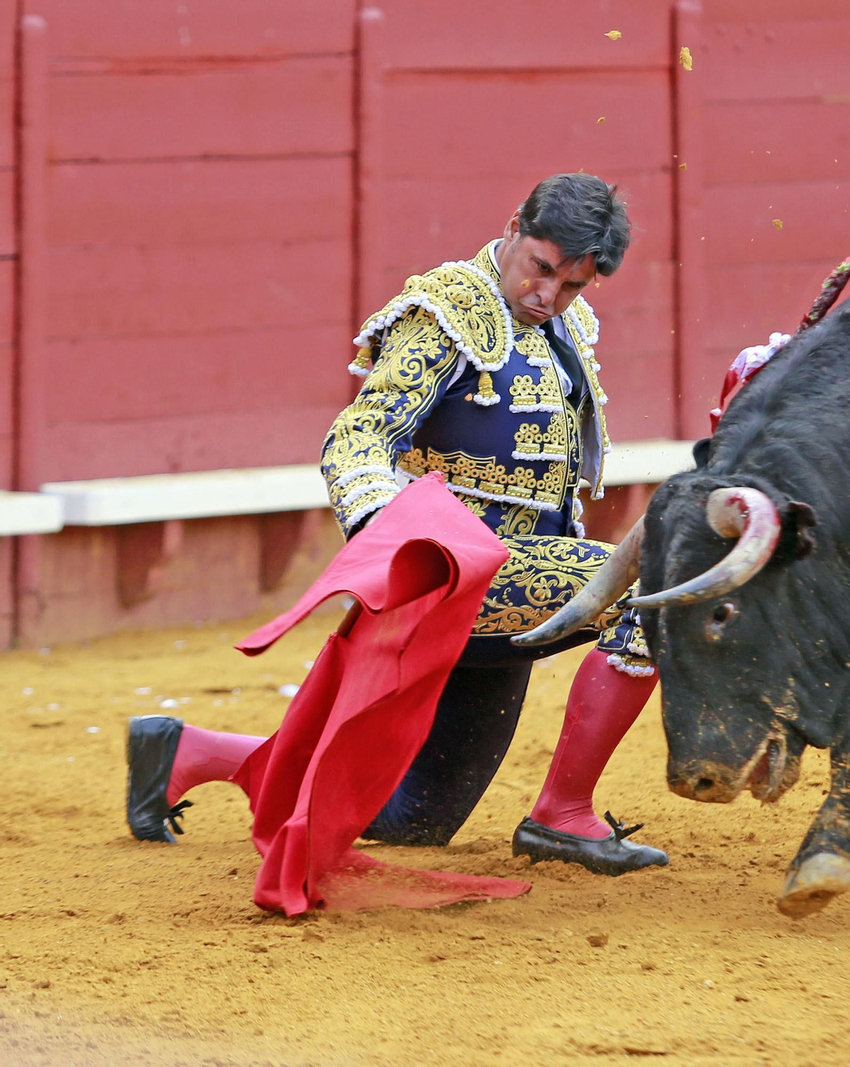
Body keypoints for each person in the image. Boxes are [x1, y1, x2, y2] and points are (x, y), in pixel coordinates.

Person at [126, 173, 668, 875]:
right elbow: (356, 436)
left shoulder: (563, 326)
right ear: (512, 229)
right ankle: (562, 815)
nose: (547, 295)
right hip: (457, 579)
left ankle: (187, 751)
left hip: (516, 579)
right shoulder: (447, 311)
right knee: (655, 580)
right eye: (540, 269)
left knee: (417, 819)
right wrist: (396, 540)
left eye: (571, 286)